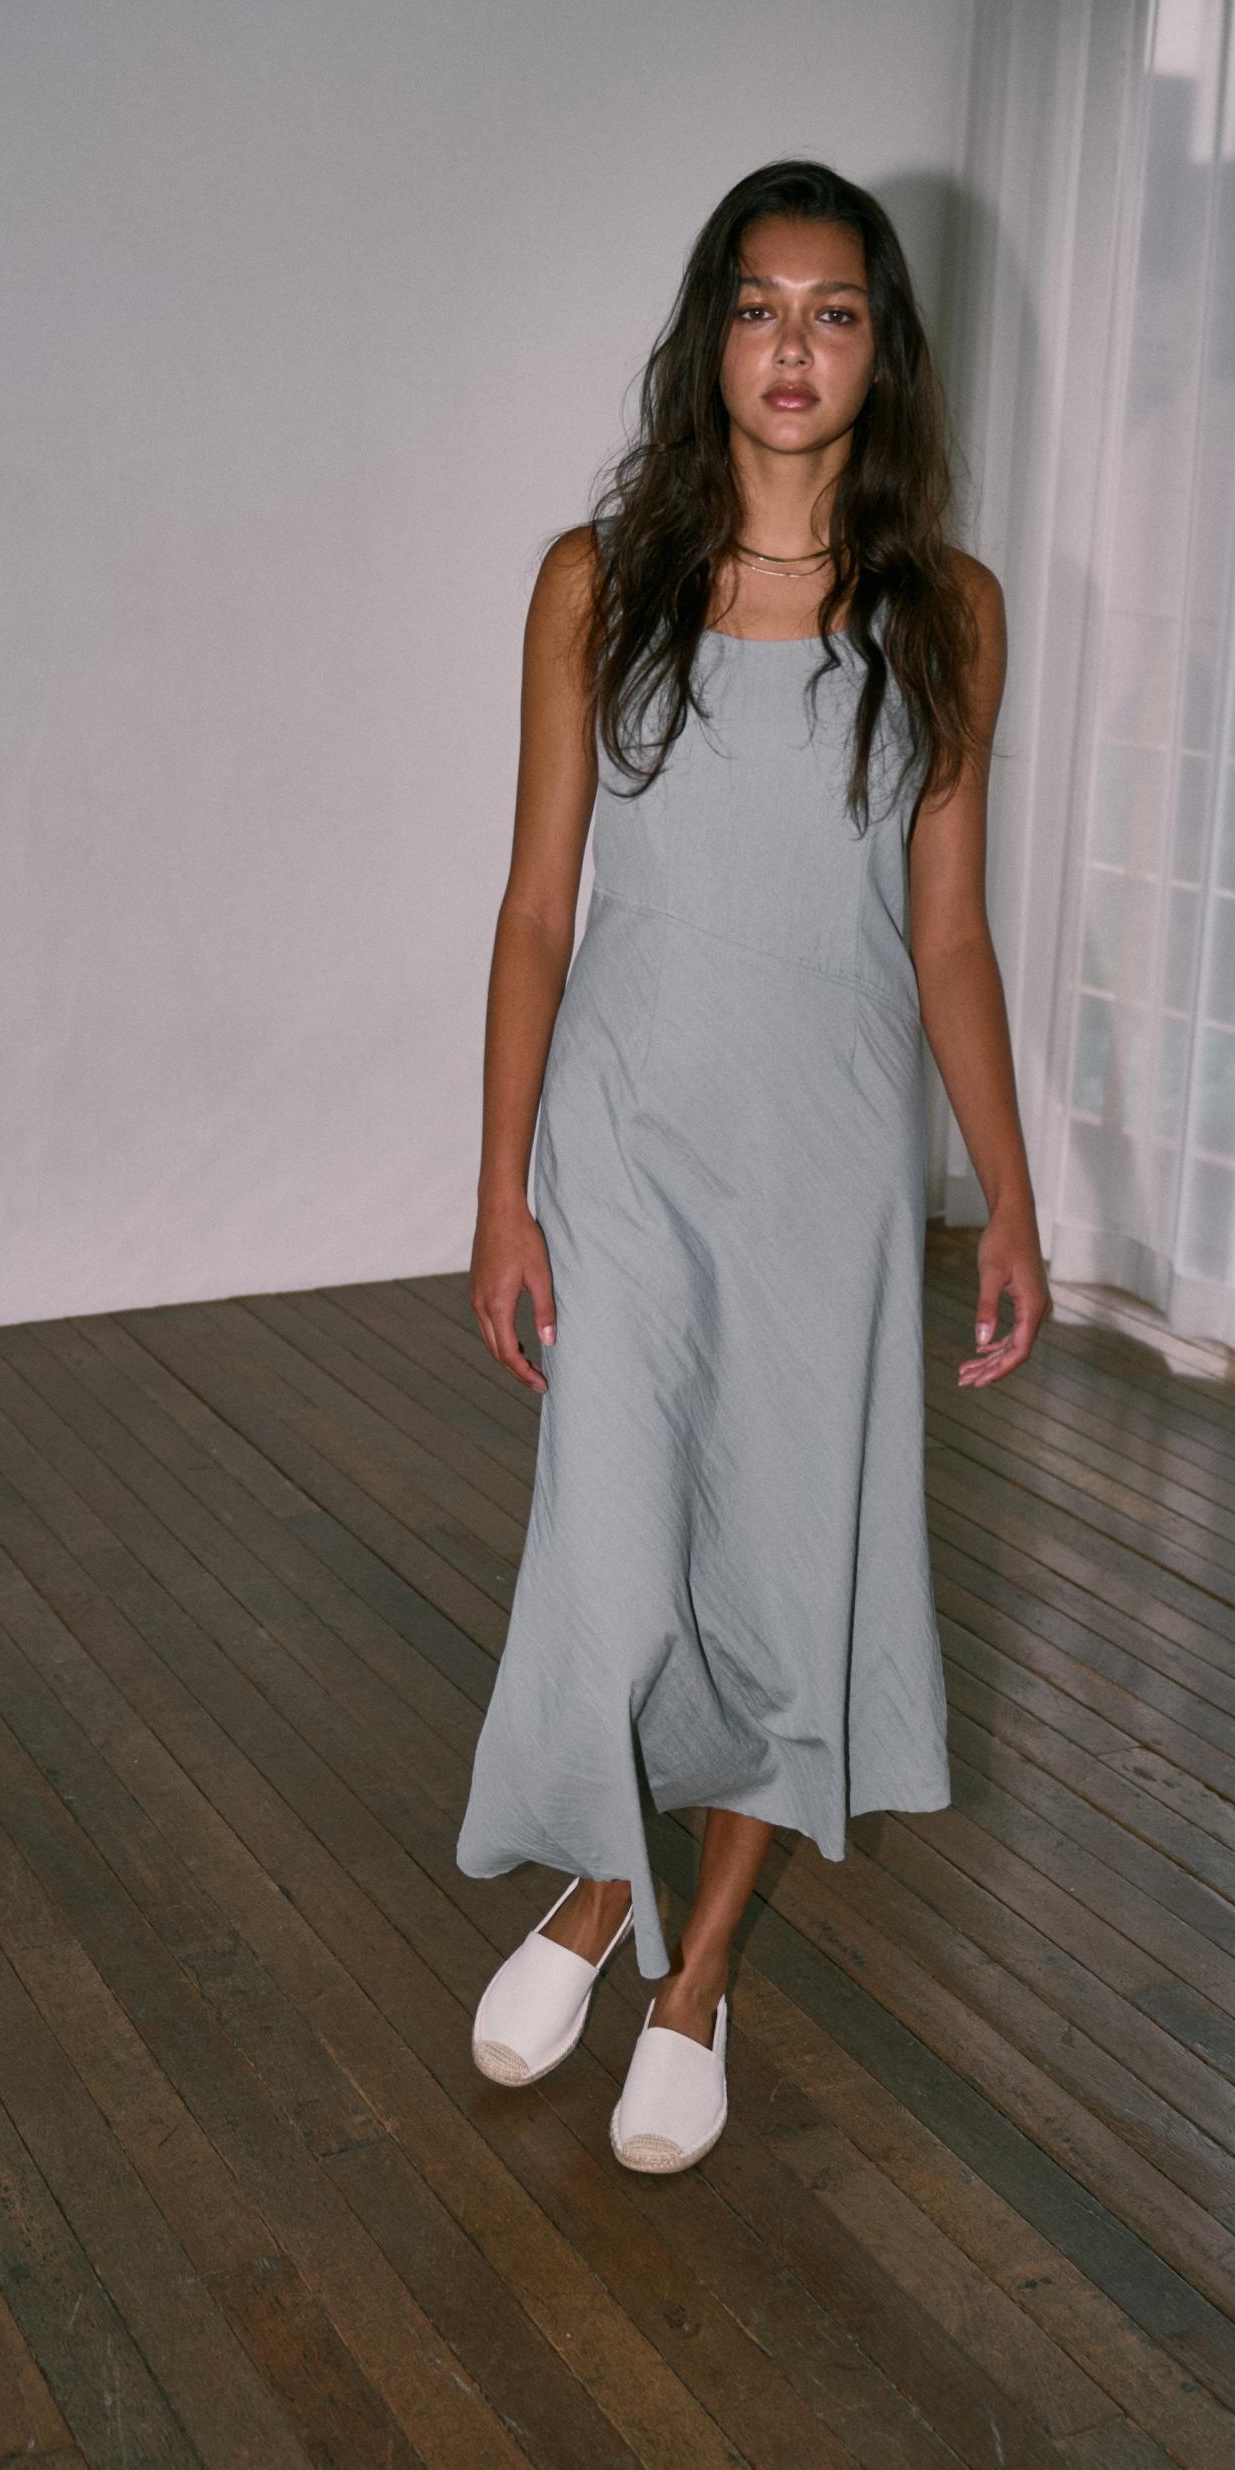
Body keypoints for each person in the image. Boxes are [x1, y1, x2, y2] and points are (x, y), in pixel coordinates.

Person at [455, 158, 1050, 2175]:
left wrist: (1011, 1201)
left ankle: (694, 1972)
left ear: (883, 352)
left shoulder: (944, 612)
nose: (794, 348)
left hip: (828, 1160)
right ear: (711, 336)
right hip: (627, 1139)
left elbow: (948, 937)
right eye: (759, 307)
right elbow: (538, 909)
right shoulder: (595, 581)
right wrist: (501, 1189)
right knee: (616, 1555)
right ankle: (592, 1890)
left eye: (836, 312)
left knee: (790, 1569)